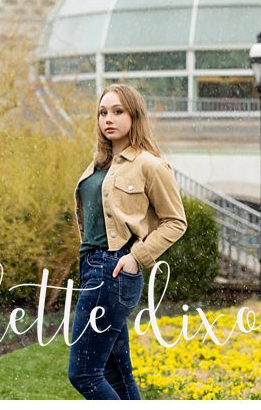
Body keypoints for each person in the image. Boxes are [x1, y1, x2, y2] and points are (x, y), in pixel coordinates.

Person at [67, 83, 188, 400]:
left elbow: (175, 221)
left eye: (118, 111)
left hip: (115, 270)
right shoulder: (98, 164)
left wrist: (137, 257)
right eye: (103, 112)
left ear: (134, 116)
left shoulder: (150, 165)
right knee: (117, 375)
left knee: (83, 373)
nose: (108, 119)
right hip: (93, 268)